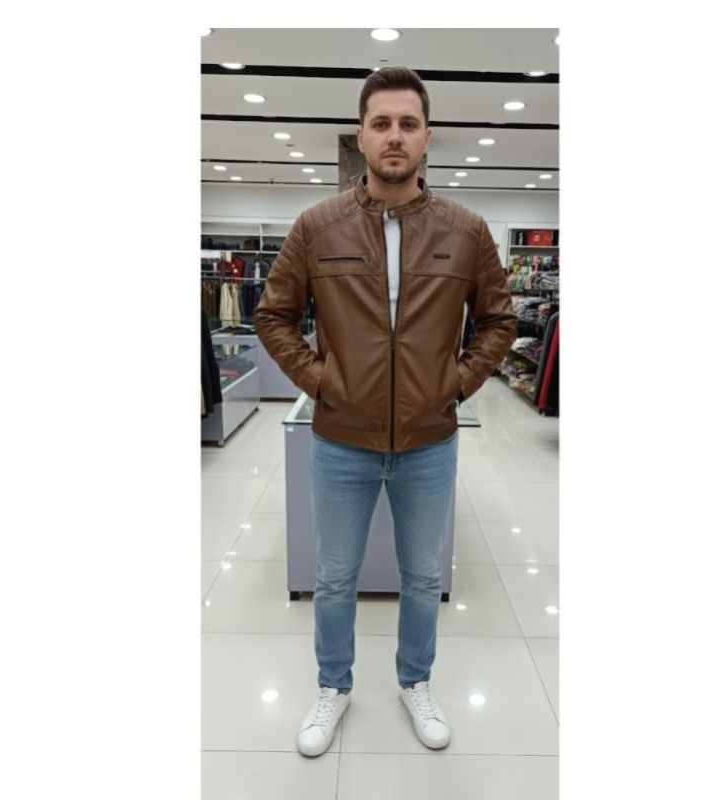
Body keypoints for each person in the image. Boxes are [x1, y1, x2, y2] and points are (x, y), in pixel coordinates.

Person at [254, 66, 517, 757]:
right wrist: (323, 380)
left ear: (427, 137)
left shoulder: (466, 231)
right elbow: (273, 315)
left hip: (430, 440)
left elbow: (499, 321)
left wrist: (454, 383)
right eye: (381, 124)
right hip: (340, 437)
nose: (394, 136)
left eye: (407, 123)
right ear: (362, 137)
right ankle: (333, 686)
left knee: (424, 578)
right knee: (334, 577)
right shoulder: (317, 227)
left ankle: (415, 681)